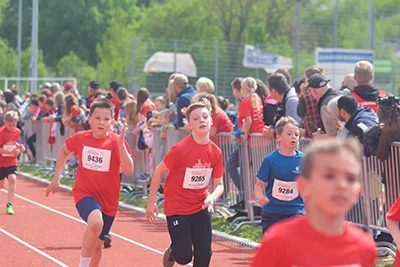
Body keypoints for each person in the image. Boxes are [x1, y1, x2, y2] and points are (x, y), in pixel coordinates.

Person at [250, 139, 377, 267]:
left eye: (350, 178)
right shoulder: (278, 241)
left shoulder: (365, 246)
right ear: (304, 185)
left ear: (358, 190)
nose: (342, 185)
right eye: (329, 176)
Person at [45, 98, 134, 267]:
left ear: (112, 122)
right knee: (95, 223)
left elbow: (128, 170)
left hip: (109, 200)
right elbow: (64, 151)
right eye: (98, 118)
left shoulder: (117, 142)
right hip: (84, 193)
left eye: (106, 119)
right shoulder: (81, 138)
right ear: (90, 119)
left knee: (98, 245)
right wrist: (57, 177)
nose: (102, 122)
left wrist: (121, 145)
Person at [146, 100, 224, 267]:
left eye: (205, 117)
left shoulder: (216, 152)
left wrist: (212, 197)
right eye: (196, 118)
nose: (201, 120)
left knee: (204, 254)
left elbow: (219, 184)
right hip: (177, 208)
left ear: (211, 121)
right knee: (183, 257)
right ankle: (175, 248)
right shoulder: (180, 150)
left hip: (201, 206)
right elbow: (159, 172)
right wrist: (151, 202)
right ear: (189, 125)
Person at [255, 116, 304, 233]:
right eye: (289, 134)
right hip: (272, 212)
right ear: (279, 137)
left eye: (296, 135)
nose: (294, 137)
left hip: (295, 211)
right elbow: (259, 184)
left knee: (293, 247)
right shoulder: (270, 160)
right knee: (273, 250)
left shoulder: (304, 159)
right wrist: (260, 197)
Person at [0, 111, 25, 215]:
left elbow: (16, 143)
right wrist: (7, 151)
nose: (12, 127)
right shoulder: (1, 133)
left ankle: (9, 205)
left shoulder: (17, 132)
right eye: (10, 125)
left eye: (14, 125)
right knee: (1, 186)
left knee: (12, 179)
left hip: (11, 161)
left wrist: (20, 148)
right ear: (4, 122)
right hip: (1, 162)